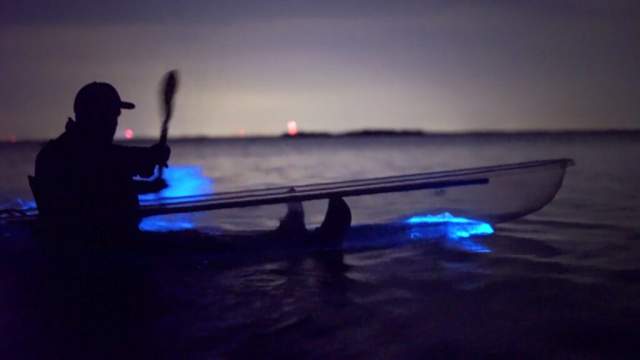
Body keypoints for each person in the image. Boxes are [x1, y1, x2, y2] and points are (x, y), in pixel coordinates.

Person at [32, 82, 170, 239]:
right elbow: (107, 162)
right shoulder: (70, 154)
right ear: (96, 115)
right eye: (112, 114)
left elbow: (102, 182)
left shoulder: (54, 151)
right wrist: (150, 157)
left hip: (82, 245)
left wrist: (149, 182)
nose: (115, 122)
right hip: (98, 248)